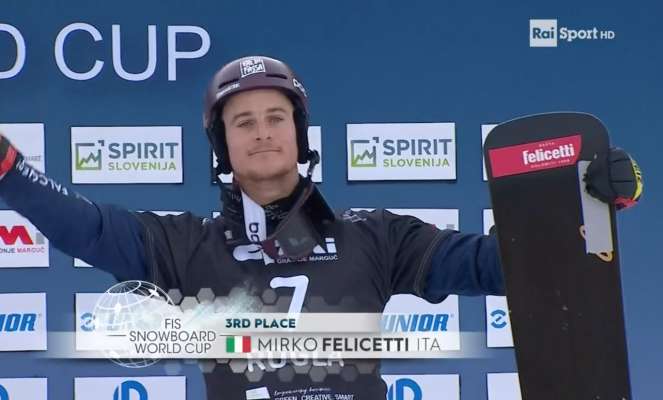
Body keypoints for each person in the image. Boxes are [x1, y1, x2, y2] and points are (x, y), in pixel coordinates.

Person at [0, 56, 642, 399]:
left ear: (299, 132)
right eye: (243, 122)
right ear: (222, 146)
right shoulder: (187, 244)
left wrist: (586, 206)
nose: (261, 133)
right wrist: (11, 171)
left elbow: (501, 264)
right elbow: (86, 228)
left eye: (275, 118)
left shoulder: (375, 235)